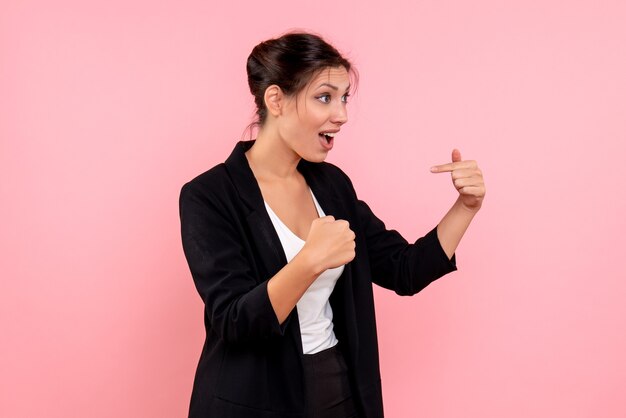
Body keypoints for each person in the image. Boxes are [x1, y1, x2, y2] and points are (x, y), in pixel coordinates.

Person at [179, 31, 485, 418]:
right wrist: (310, 261)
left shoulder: (332, 185)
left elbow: (404, 270)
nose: (340, 115)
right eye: (324, 97)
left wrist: (465, 207)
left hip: (337, 389)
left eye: (343, 98)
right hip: (253, 399)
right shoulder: (209, 195)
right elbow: (233, 320)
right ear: (276, 100)